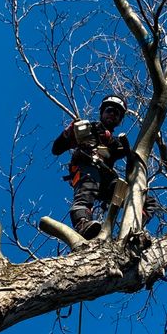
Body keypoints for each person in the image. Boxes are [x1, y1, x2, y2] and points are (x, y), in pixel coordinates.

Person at [52, 94, 133, 239]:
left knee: (139, 197)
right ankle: (83, 224)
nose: (112, 114)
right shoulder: (87, 130)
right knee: (88, 184)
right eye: (109, 110)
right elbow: (56, 149)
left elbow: (124, 152)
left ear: (120, 120)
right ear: (102, 112)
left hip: (106, 182)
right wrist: (67, 133)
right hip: (86, 171)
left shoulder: (117, 144)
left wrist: (122, 147)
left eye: (117, 113)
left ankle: (135, 227)